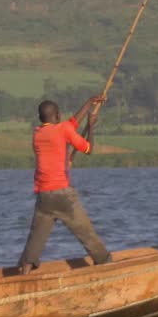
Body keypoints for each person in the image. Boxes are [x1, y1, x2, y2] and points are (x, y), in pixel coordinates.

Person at [16, 94, 112, 274]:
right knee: (87, 233)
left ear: (41, 118)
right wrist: (91, 127)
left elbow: (71, 123)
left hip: (43, 197)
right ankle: (105, 262)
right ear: (58, 116)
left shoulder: (37, 134)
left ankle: (25, 271)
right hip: (63, 195)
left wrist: (89, 101)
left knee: (35, 241)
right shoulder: (64, 129)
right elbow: (88, 149)